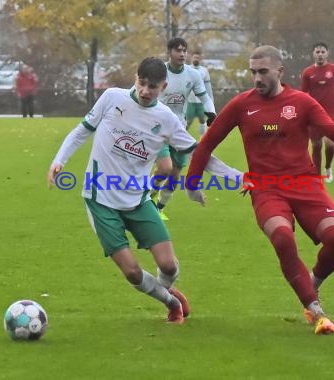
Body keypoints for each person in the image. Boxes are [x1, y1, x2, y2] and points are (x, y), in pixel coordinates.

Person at [185, 45, 334, 335]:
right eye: (253, 72)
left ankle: (312, 283)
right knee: (283, 237)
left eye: (263, 72)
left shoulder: (302, 102)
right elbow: (206, 143)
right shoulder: (241, 104)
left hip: (306, 184)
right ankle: (316, 310)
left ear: (280, 72)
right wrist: (191, 184)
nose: (256, 78)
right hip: (266, 189)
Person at [47, 57, 239, 324]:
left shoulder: (166, 119)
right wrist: (59, 160)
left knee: (169, 266)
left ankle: (166, 288)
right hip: (100, 199)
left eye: (153, 86)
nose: (145, 91)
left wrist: (237, 177)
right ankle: (171, 302)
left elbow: (199, 153)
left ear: (164, 87)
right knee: (133, 273)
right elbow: (81, 131)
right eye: (142, 83)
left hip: (138, 200)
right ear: (135, 79)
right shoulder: (111, 98)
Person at [151, 37, 217, 221]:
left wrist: (211, 112)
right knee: (165, 169)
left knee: (174, 174)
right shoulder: (159, 72)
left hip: (178, 129)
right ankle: (145, 200)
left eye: (184, 50)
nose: (182, 54)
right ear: (169, 52)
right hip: (157, 128)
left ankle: (157, 208)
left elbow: (205, 97)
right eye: (178, 50)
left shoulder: (193, 75)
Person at [300, 42, 334, 183]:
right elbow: (302, 94)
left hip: (330, 113)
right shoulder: (307, 73)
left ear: (327, 53)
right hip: (313, 113)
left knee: (330, 143)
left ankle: (328, 168)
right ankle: (317, 176)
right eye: (317, 52)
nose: (320, 54)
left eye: (323, 52)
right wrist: (301, 112)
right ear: (313, 54)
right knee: (316, 145)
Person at [186, 50, 214, 136]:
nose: (196, 59)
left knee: (202, 120)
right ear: (191, 58)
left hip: (201, 101)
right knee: (188, 122)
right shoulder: (187, 68)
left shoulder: (204, 71)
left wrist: (211, 101)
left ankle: (203, 142)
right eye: (195, 57)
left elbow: (208, 87)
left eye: (198, 58)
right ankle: (180, 139)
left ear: (200, 59)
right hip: (190, 101)